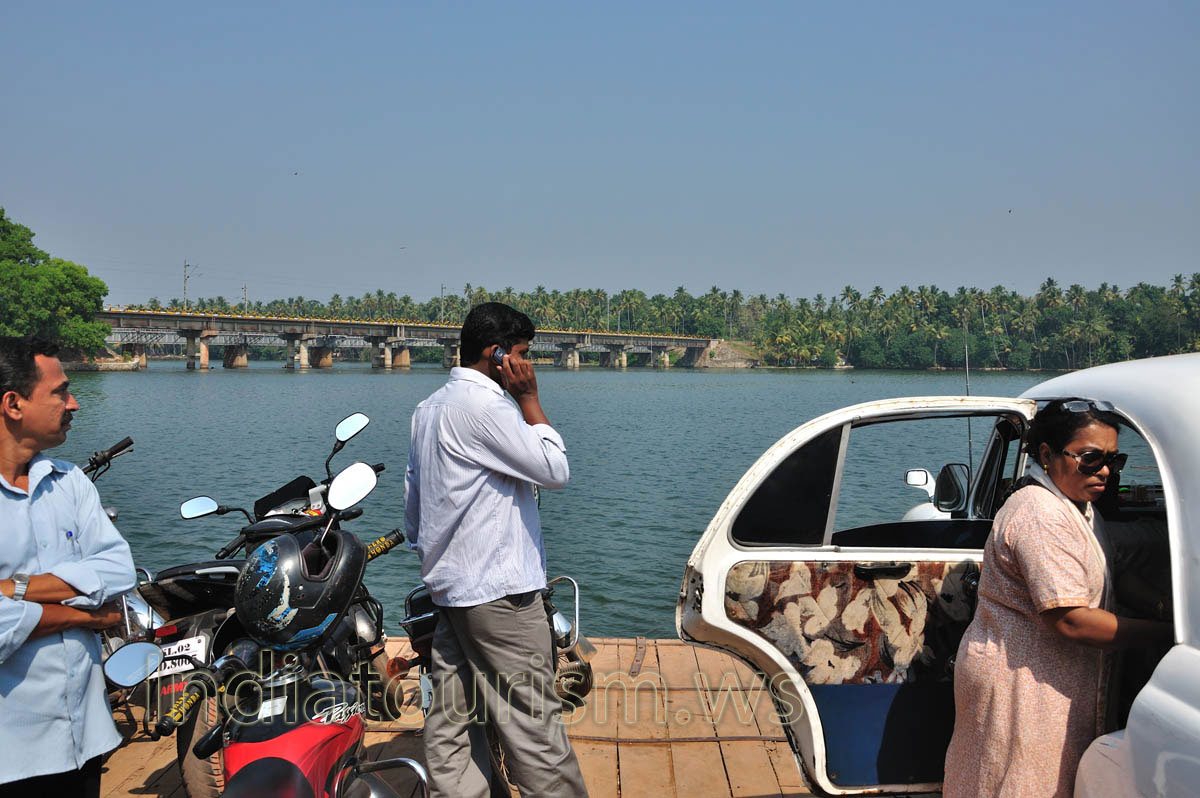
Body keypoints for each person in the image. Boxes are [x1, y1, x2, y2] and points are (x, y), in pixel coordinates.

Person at [942, 399, 1173, 797]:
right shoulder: (1039, 513)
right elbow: (1071, 619)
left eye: (1114, 462)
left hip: (1053, 678)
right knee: (1020, 783)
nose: (1104, 472)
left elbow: (1107, 574)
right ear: (1047, 454)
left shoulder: (1077, 505)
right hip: (1022, 682)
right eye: (1090, 459)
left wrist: (1168, 608)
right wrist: (1168, 634)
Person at [405, 303, 588, 798]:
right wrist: (529, 398)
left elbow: (414, 512)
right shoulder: (488, 408)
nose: (527, 367)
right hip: (500, 598)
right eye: (523, 355)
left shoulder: (429, 410)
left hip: (450, 595)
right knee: (533, 731)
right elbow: (554, 469)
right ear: (497, 353)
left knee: (452, 727)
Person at [0, 335, 136, 797]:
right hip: (12, 752)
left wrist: (13, 589)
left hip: (85, 735)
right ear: (13, 404)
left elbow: (120, 569)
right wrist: (85, 616)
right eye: (60, 391)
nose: (73, 403)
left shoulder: (70, 482)